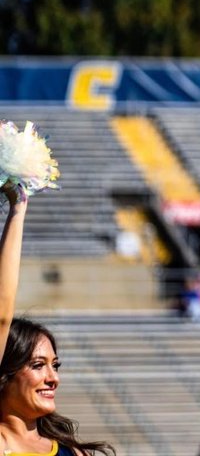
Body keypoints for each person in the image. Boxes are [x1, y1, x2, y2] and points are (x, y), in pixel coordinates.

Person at [0, 183, 114, 455]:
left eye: (55, 365)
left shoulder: (73, 451)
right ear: (5, 374)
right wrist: (18, 209)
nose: (54, 378)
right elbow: (2, 316)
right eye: (38, 365)